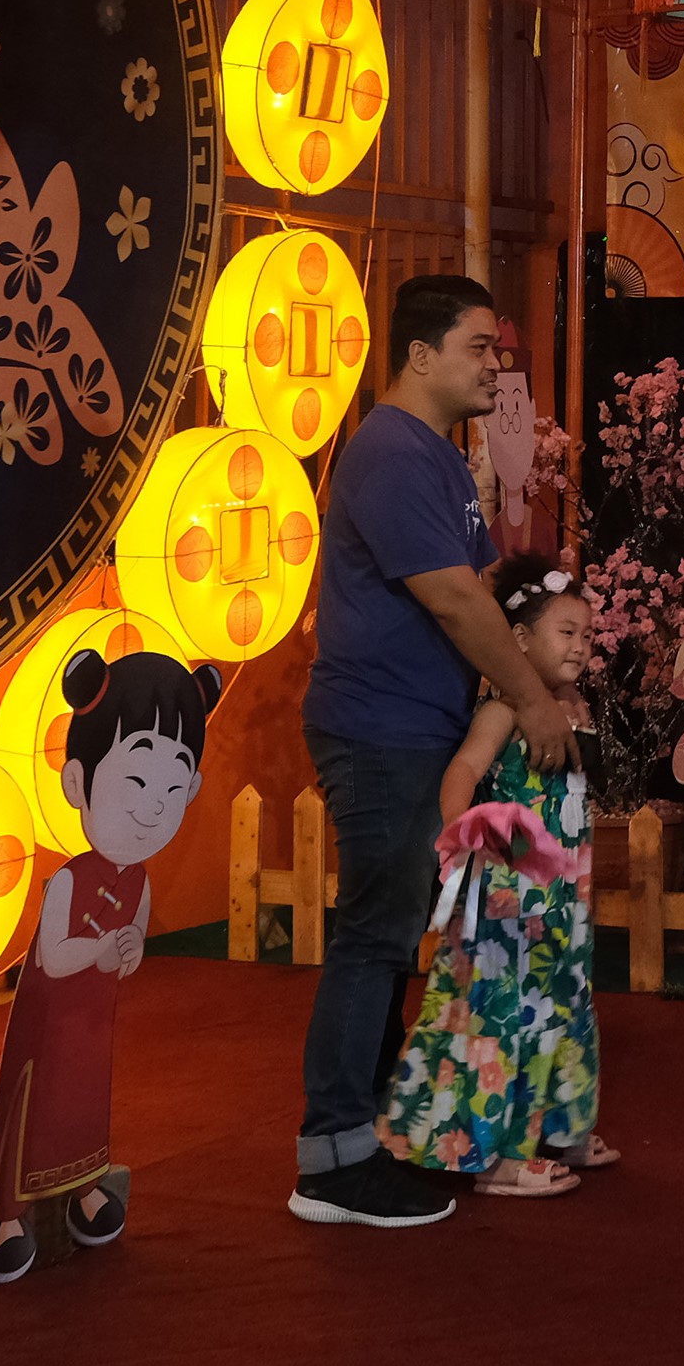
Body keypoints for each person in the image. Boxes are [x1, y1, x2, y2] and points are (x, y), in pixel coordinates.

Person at [290, 275, 576, 1229]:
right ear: (419, 355)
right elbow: (456, 599)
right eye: (480, 346)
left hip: (412, 725)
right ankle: (332, 1159)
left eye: (497, 348)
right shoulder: (394, 453)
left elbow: (486, 582)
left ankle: (369, 1127)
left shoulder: (436, 458)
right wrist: (532, 694)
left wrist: (548, 620)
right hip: (382, 727)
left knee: (392, 929)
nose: (495, 364)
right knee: (375, 933)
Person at [0, 648, 222, 1285]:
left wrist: (130, 949)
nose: (152, 807)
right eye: (136, 784)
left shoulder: (138, 879)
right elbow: (54, 956)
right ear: (79, 782)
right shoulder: (66, 880)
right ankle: (8, 1216)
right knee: (39, 1102)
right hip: (52, 1021)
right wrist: (102, 950)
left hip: (94, 1021)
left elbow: (134, 939)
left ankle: (85, 1187)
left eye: (173, 788)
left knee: (86, 1102)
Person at [385, 556, 610, 1196]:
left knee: (563, 1005)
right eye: (565, 632)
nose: (580, 645)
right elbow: (461, 776)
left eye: (587, 635)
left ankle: (559, 1126)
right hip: (507, 903)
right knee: (501, 1015)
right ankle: (496, 1156)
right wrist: (466, 834)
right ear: (518, 639)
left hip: (562, 899)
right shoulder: (504, 710)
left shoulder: (575, 709)